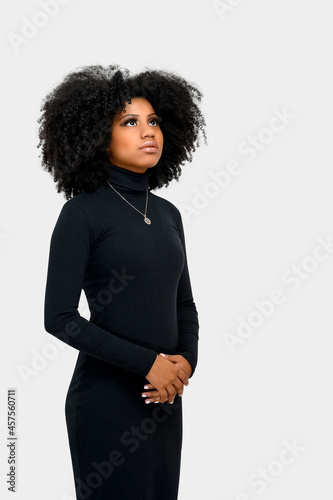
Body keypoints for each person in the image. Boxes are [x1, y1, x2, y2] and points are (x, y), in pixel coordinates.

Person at [38, 64, 207, 500]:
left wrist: (185, 362)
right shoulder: (82, 214)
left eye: (153, 121)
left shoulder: (169, 214)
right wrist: (149, 363)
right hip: (106, 405)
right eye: (130, 122)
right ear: (99, 137)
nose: (147, 131)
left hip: (165, 399)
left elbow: (183, 305)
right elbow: (59, 317)